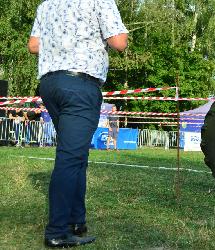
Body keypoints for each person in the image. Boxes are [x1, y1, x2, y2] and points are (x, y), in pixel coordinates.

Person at [28, 0, 128, 247]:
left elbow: (33, 46)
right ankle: (57, 231)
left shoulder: (46, 5)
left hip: (50, 83)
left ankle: (76, 220)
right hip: (80, 84)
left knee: (76, 154)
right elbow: (119, 43)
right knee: (70, 157)